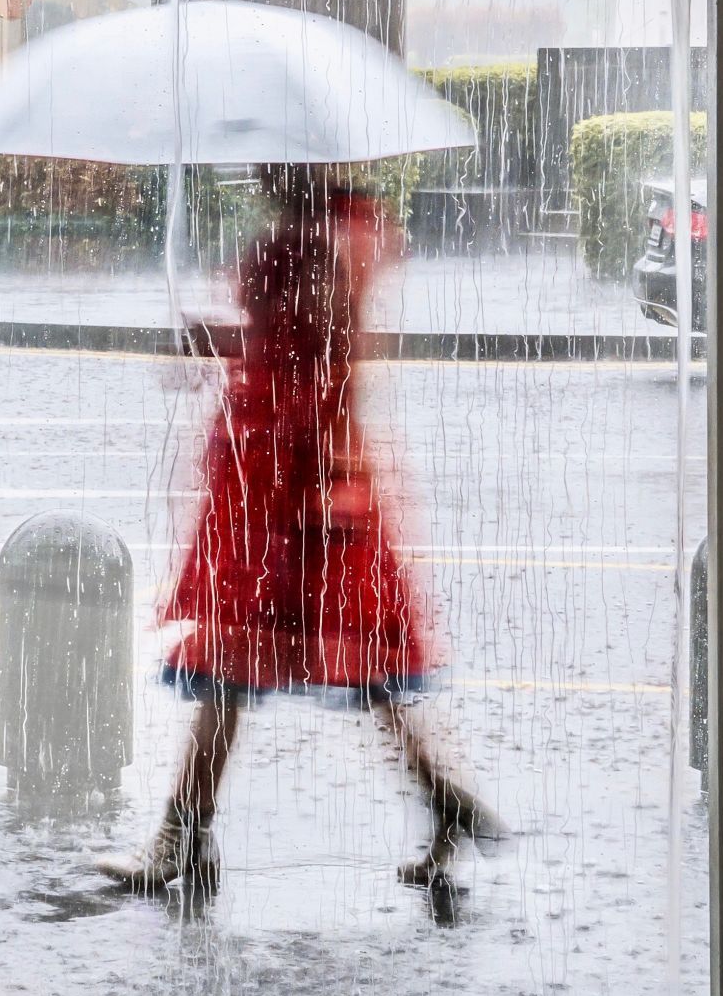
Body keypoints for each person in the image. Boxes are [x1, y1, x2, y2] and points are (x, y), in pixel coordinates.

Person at [97, 164, 504, 914]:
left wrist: (314, 482)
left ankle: (179, 837)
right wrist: (223, 338)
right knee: (352, 670)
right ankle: (447, 799)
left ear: (301, 161)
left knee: (233, 663)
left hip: (291, 484)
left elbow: (322, 363)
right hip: (282, 476)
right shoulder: (323, 231)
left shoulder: (327, 242)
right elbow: (289, 344)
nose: (256, 170)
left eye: (271, 158)